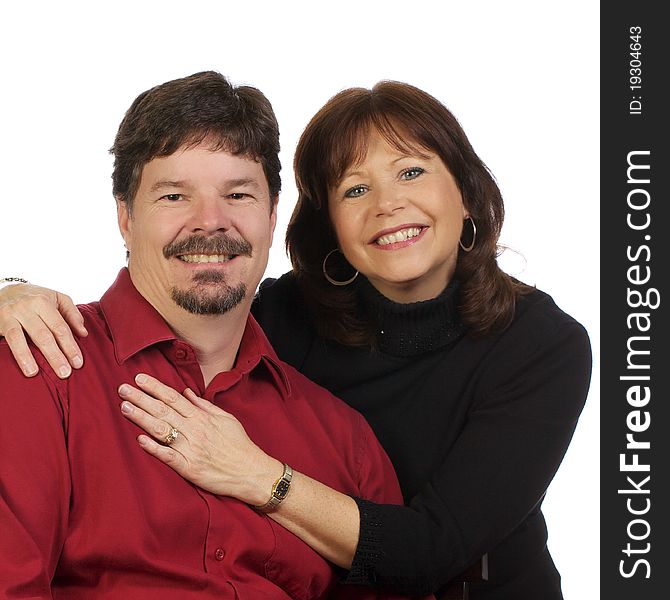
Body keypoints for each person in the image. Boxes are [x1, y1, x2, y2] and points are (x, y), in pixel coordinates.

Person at [0, 81, 592, 599]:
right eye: (355, 189)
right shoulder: (284, 317)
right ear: (327, 221)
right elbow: (196, 282)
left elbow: (428, 552)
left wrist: (256, 474)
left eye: (411, 171)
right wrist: (10, 290)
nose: (388, 204)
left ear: (465, 192)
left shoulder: (539, 345)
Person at [0, 72, 413, 600]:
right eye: (174, 196)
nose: (210, 222)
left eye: (238, 194)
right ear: (125, 218)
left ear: (271, 216)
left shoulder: (344, 440)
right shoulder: (41, 369)